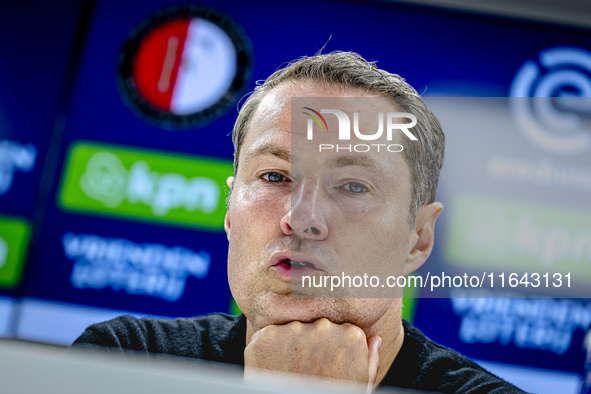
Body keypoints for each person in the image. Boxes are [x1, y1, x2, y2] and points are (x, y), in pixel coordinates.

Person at [72, 51, 526, 393]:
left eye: (352, 186)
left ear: (418, 238)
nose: (301, 218)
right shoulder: (124, 362)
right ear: (230, 211)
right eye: (275, 176)